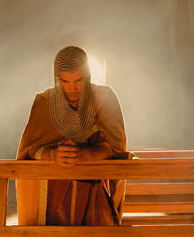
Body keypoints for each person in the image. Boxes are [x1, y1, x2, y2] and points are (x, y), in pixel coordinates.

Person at [16, 46, 129, 226]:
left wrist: (87, 155)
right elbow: (28, 151)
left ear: (88, 75)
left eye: (78, 81)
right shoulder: (44, 102)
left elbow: (116, 148)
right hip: (52, 200)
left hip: (93, 194)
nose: (72, 89)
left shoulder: (104, 98)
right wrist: (53, 154)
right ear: (56, 79)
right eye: (65, 82)